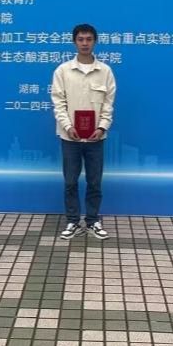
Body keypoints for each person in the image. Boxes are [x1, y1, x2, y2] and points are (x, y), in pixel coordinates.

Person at [51, 23, 116, 239]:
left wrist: (102, 126)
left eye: (89, 39)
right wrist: (68, 126)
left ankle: (93, 220)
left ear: (95, 41)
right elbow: (58, 103)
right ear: (74, 42)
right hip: (69, 137)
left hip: (96, 137)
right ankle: (72, 221)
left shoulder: (105, 71)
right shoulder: (63, 71)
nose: (85, 43)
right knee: (70, 182)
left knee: (94, 182)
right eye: (81, 39)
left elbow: (108, 104)